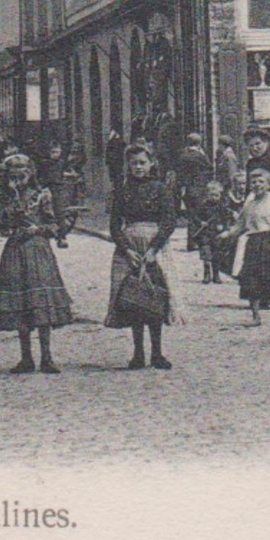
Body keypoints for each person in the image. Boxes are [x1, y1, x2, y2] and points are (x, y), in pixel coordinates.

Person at [0, 151, 72, 374]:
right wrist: (13, 199)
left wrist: (39, 229)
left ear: (30, 172)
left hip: (38, 248)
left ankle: (47, 357)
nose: (18, 177)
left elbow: (54, 225)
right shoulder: (1, 197)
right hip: (15, 250)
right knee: (20, 304)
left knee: (41, 300)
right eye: (13, 174)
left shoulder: (42, 194)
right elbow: (1, 226)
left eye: (22, 172)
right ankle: (26, 358)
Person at [104, 143, 180, 370]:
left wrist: (154, 249)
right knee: (133, 299)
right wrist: (126, 249)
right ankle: (138, 353)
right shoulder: (122, 191)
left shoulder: (161, 189)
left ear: (151, 164)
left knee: (155, 296)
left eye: (142, 162)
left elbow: (169, 221)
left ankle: (157, 353)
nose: (138, 167)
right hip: (130, 247)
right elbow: (115, 224)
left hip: (154, 246)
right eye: (133, 163)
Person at [223, 166, 270, 324]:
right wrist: (227, 234)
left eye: (261, 182)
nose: (257, 185)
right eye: (254, 182)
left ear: (269, 184)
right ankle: (255, 316)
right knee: (251, 278)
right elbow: (240, 224)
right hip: (253, 243)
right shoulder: (249, 205)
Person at [177, 132, 213, 252]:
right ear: (199, 143)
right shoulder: (199, 155)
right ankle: (196, 242)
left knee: (191, 216)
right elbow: (209, 167)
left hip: (188, 188)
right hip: (198, 188)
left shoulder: (182, 155)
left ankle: (191, 242)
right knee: (198, 214)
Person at [37, 140, 72, 248]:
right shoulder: (44, 163)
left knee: (60, 212)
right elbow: (38, 176)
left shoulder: (61, 163)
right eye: (53, 152)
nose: (55, 154)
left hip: (58, 188)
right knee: (43, 211)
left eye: (57, 152)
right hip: (46, 188)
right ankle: (44, 234)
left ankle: (62, 237)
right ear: (49, 152)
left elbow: (64, 173)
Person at [195, 179, 228, 284]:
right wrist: (201, 222)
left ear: (220, 195)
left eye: (216, 195)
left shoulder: (222, 208)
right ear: (207, 195)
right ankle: (207, 274)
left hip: (217, 234)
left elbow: (226, 219)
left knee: (217, 254)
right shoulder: (203, 206)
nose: (214, 198)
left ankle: (216, 275)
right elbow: (194, 217)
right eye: (211, 195)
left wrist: (223, 227)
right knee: (206, 254)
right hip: (205, 234)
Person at [104, 129, 126, 195]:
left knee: (115, 177)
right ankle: (117, 188)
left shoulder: (112, 142)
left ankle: (117, 189)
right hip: (116, 163)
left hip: (115, 163)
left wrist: (108, 161)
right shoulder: (119, 142)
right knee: (116, 176)